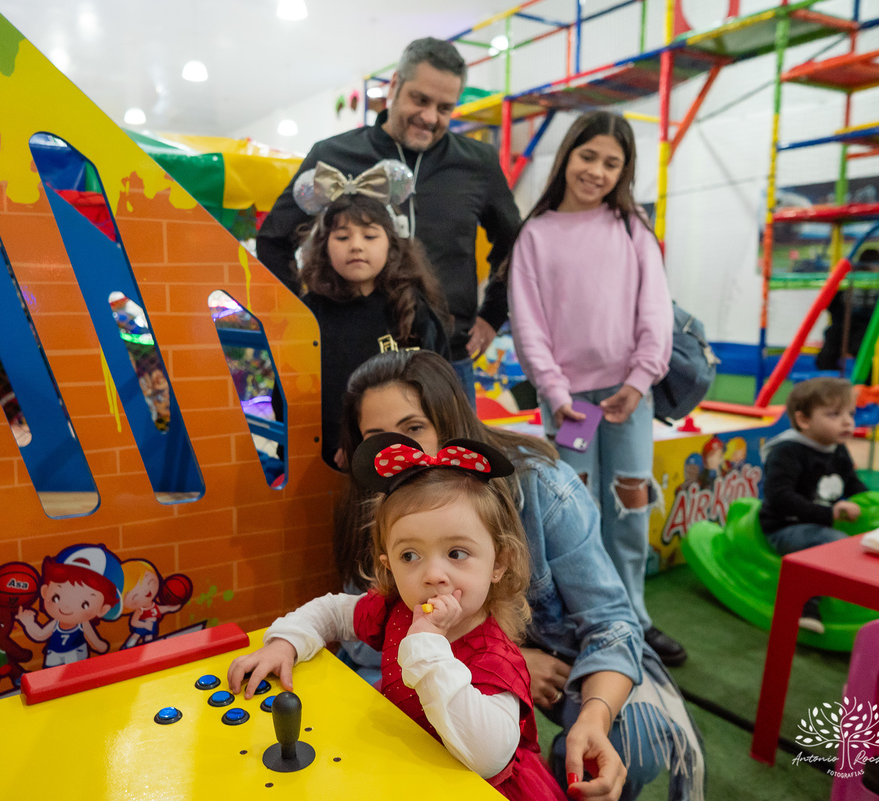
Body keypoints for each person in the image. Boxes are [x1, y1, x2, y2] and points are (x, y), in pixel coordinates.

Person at [335, 351, 705, 801]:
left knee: (628, 749)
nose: (405, 454)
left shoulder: (543, 488)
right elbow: (367, 633)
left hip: (569, 662)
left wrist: (593, 717)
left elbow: (611, 622)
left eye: (415, 429)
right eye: (379, 438)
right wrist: (500, 665)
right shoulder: (380, 507)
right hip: (478, 670)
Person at [229, 433, 565, 801]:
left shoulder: (496, 659)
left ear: (498, 562)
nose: (433, 574)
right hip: (400, 769)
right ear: (388, 566)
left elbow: (488, 757)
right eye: (410, 556)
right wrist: (285, 642)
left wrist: (429, 646)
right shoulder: (396, 611)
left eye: (456, 552)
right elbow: (333, 612)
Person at [505, 111, 686, 667]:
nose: (597, 171)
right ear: (567, 157)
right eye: (589, 156)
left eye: (613, 163)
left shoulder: (633, 230)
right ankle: (585, 620)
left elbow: (656, 312)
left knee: (629, 509)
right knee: (573, 517)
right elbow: (528, 321)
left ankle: (634, 617)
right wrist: (556, 394)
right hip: (568, 405)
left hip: (629, 398)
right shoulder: (536, 233)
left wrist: (638, 381)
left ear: (625, 171)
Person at [256, 37, 521, 406]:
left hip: (446, 359)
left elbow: (515, 243)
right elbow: (273, 239)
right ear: (394, 86)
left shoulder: (478, 163)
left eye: (445, 108)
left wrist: (494, 313)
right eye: (420, 99)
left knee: (449, 464)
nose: (430, 117)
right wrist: (300, 320)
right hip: (349, 360)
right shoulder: (334, 155)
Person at [292, 161, 449, 467]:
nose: (356, 246)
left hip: (410, 458)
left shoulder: (413, 307)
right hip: (329, 462)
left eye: (369, 235)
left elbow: (439, 389)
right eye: (342, 237)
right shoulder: (308, 315)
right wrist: (345, 443)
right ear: (324, 247)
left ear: (392, 244)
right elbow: (292, 396)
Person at [759, 377, 867, 634]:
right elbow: (779, 497)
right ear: (804, 420)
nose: (847, 421)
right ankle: (806, 605)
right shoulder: (787, 452)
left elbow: (852, 484)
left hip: (821, 519)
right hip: (785, 526)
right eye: (834, 414)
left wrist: (870, 504)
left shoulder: (837, 448)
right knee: (833, 542)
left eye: (850, 413)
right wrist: (828, 513)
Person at [815, 247, 879, 371]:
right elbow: (830, 304)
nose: (872, 270)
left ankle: (864, 384)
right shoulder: (849, 279)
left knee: (861, 348)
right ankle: (831, 378)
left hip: (868, 325)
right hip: (844, 324)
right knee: (829, 348)